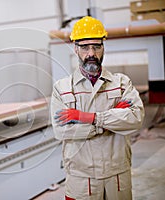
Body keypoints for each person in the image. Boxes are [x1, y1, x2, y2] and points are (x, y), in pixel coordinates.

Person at [50, 16, 145, 200]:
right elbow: (61, 131)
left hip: (117, 174)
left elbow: (136, 118)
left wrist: (87, 117)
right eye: (85, 47)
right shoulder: (62, 88)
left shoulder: (122, 83)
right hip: (80, 177)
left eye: (96, 46)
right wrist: (111, 120)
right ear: (76, 48)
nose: (91, 53)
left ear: (104, 47)